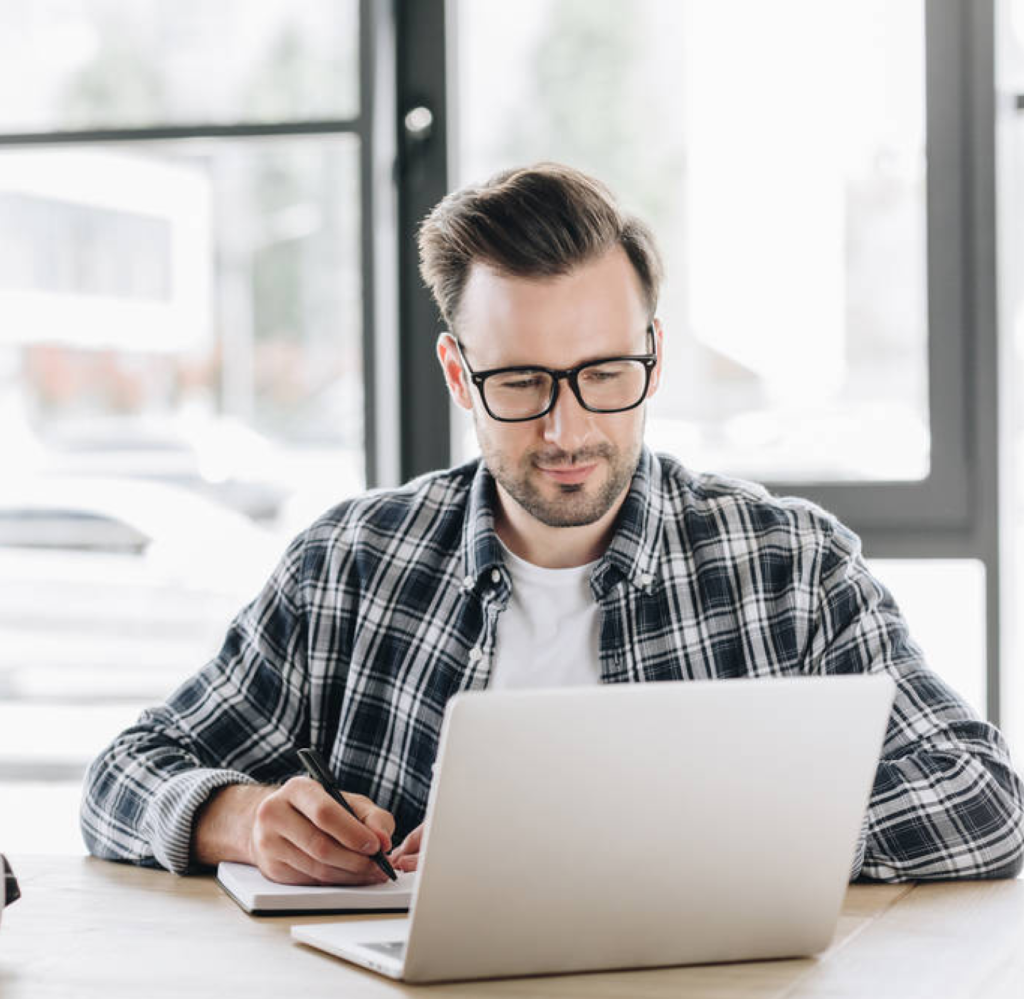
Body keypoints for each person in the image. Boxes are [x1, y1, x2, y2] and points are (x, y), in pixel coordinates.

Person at [82, 162, 1024, 885]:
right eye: (522, 381)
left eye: (604, 374)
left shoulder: (790, 567)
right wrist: (240, 820)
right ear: (459, 377)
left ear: (652, 356)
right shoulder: (349, 566)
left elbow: (982, 798)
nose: (568, 428)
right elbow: (124, 775)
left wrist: (675, 845)